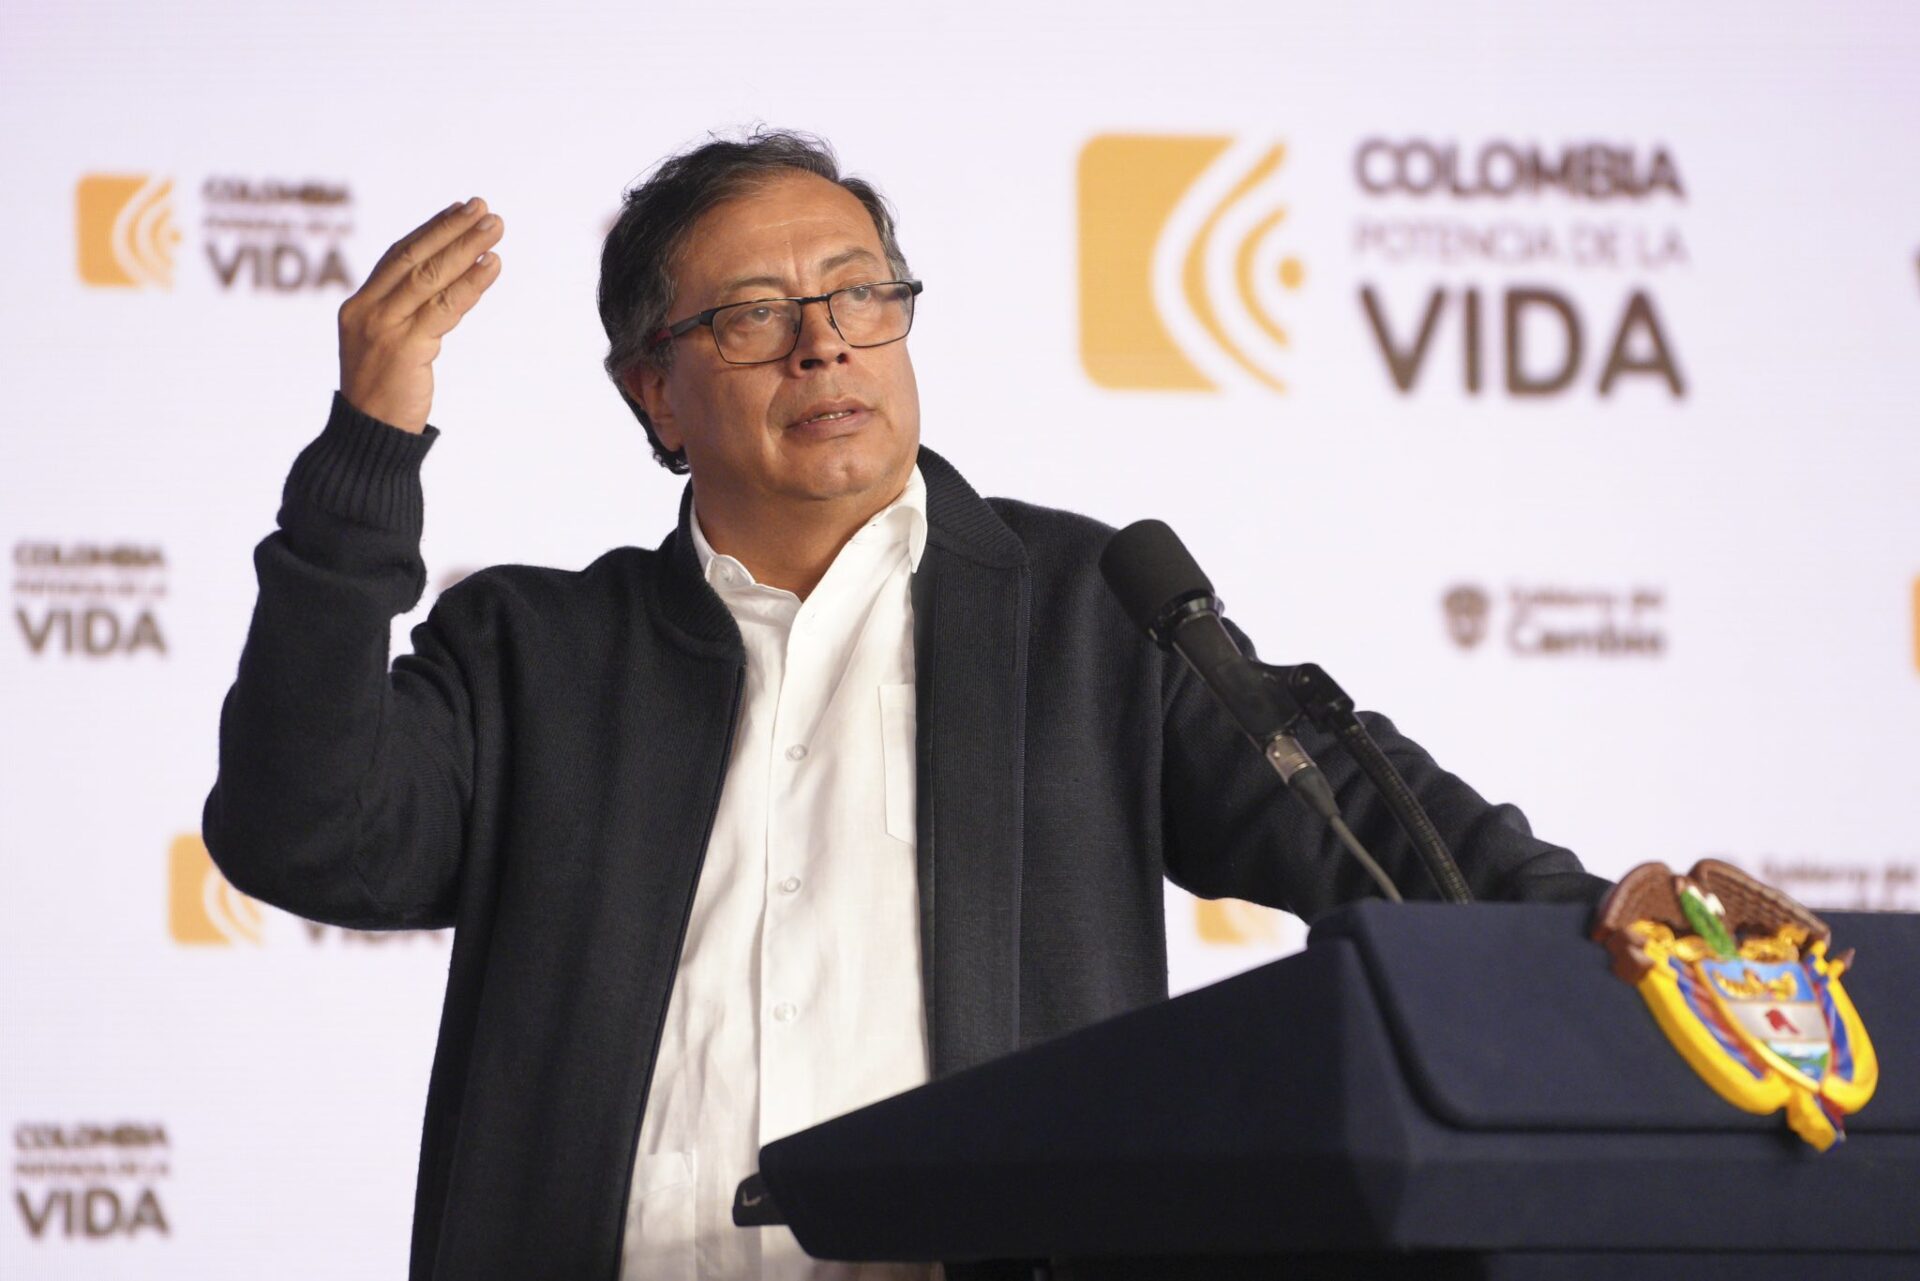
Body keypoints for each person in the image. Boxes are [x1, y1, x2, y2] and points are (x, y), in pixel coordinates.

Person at [202, 129, 1605, 1281]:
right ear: (656, 394)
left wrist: (1620, 935)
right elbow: (304, 833)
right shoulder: (533, 651)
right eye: (753, 316)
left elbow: (1372, 830)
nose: (824, 346)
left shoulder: (1091, 613)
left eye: (860, 294)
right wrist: (368, 452)